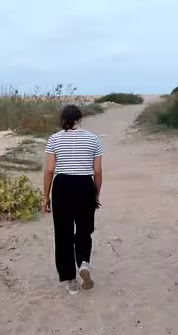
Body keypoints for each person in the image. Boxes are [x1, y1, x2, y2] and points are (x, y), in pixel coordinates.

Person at [43, 105, 104, 295]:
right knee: (84, 229)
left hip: (62, 185)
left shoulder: (54, 139)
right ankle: (84, 262)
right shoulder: (94, 139)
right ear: (80, 118)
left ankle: (71, 280)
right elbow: (98, 171)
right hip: (85, 184)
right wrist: (96, 193)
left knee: (63, 233)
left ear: (63, 120)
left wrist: (46, 196)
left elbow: (50, 170)